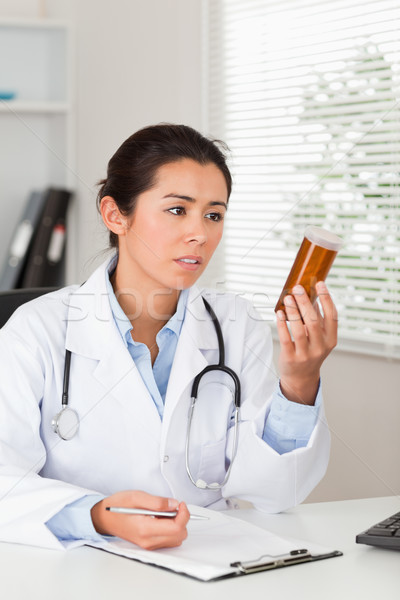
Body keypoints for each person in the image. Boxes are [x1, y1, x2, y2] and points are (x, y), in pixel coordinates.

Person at [0, 123, 337, 551]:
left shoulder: (236, 325)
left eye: (214, 214)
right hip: (84, 565)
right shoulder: (36, 331)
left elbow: (277, 494)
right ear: (114, 215)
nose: (200, 233)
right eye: (178, 210)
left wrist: (300, 384)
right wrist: (99, 516)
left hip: (209, 557)